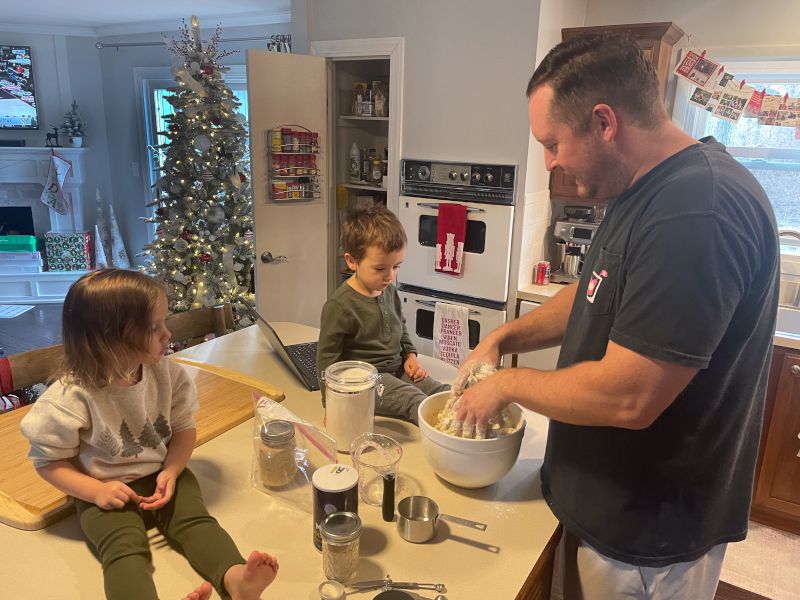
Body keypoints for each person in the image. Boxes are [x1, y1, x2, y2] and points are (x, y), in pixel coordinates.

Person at [453, 32, 779, 600]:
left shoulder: (696, 211)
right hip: (606, 506)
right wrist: (501, 340)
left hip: (648, 533)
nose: (550, 162)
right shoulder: (642, 190)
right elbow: (590, 290)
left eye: (552, 143)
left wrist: (506, 385)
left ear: (605, 122)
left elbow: (630, 397)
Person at [20, 269, 279, 600]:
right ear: (109, 339)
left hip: (162, 475)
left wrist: (171, 470)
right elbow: (47, 462)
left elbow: (184, 428)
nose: (167, 334)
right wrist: (95, 491)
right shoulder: (71, 397)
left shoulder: (167, 374)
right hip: (103, 490)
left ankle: (235, 580)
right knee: (124, 550)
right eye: (154, 328)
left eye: (165, 322)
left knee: (197, 523)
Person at [317, 205, 449, 424]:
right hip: (366, 383)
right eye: (380, 269)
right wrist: (331, 405)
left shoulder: (390, 291)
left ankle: (475, 420)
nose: (390, 276)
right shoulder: (339, 306)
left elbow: (401, 327)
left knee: (440, 390)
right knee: (414, 399)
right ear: (352, 261)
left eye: (396, 266)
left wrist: (410, 356)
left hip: (398, 369)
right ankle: (453, 436)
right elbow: (326, 360)